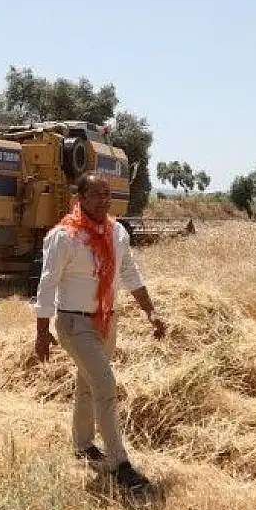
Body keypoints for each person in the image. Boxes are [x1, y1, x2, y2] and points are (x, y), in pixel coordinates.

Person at [33, 171, 168, 490]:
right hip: (74, 323)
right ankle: (119, 464)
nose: (103, 200)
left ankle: (82, 444)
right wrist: (42, 331)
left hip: (106, 321)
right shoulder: (64, 236)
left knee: (87, 385)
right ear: (80, 199)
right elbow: (47, 284)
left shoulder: (117, 232)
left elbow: (130, 273)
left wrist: (151, 312)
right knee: (105, 386)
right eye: (95, 194)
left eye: (107, 194)